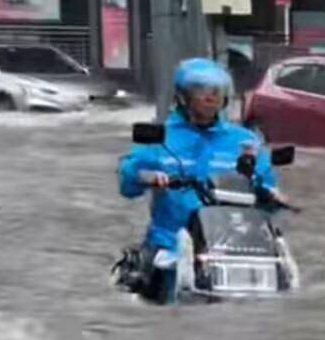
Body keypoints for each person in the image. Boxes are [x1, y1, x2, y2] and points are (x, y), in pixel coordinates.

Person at [117, 57, 285, 304]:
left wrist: (273, 195)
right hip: (172, 246)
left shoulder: (243, 140)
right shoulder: (162, 137)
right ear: (184, 95)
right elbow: (127, 181)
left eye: (217, 91)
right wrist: (147, 177)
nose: (210, 97)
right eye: (201, 90)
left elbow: (264, 185)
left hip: (230, 246)